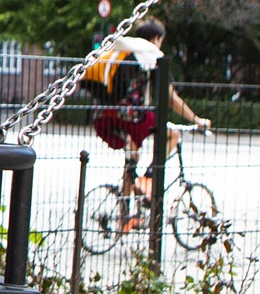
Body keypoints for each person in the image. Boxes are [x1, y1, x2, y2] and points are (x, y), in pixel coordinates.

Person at [77, 17, 209, 226]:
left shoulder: (123, 50)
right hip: (130, 115)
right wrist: (197, 120)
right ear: (157, 38)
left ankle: (124, 215)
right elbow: (170, 97)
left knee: (132, 157)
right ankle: (147, 181)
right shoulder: (150, 54)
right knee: (172, 134)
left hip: (103, 117)